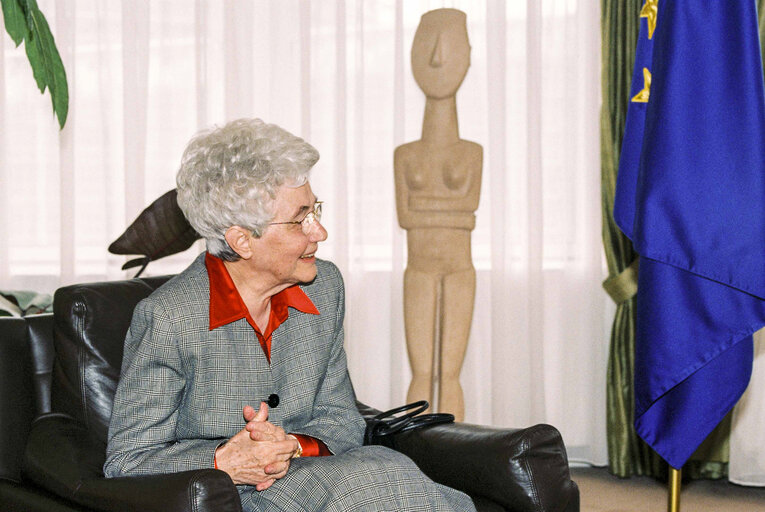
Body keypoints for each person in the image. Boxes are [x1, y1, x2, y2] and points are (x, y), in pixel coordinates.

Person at [103, 118, 475, 512]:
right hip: (239, 497)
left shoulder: (324, 287)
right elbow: (128, 460)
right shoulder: (169, 317)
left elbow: (342, 418)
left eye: (315, 210)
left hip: (328, 477)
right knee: (373, 484)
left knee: (389, 474)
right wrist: (223, 460)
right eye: (301, 219)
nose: (320, 231)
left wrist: (292, 444)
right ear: (242, 240)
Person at [394, 8, 482, 422]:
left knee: (449, 372)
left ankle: (453, 453)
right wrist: (449, 210)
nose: (436, 58)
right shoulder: (405, 155)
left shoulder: (471, 153)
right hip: (419, 269)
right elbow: (407, 216)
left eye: (450, 45)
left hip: (459, 267)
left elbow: (456, 213)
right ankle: (419, 456)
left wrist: (434, 209)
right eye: (426, 44)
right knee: (422, 370)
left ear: (468, 55)